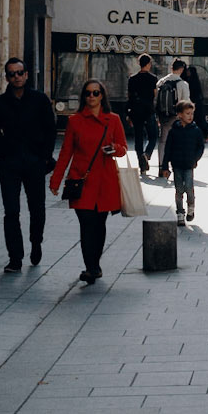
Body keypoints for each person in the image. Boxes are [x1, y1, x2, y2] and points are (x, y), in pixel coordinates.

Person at [49, 79, 126, 284]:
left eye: (96, 93)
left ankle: (95, 264)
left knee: (99, 225)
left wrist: (114, 149)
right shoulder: (75, 121)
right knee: (86, 224)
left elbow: (123, 148)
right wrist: (55, 181)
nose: (91, 96)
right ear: (83, 96)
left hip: (105, 181)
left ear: (102, 95)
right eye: (88, 93)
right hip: (81, 181)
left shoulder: (114, 120)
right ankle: (91, 267)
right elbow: (66, 153)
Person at [0, 56, 56, 271]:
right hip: (9, 163)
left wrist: (44, 157)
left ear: (26, 75)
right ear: (7, 77)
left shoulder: (39, 99)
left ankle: (36, 242)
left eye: (20, 73)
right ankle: (15, 258)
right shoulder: (0, 102)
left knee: (37, 209)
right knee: (11, 211)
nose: (16, 77)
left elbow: (51, 130)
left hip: (35, 162)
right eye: (11, 73)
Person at [166, 98, 206, 226]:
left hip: (189, 164)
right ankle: (180, 213)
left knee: (189, 188)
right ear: (179, 115)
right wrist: (164, 165)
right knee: (179, 190)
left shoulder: (195, 130)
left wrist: (195, 158)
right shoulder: (173, 131)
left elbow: (201, 146)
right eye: (187, 113)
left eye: (192, 113)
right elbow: (168, 148)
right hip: (177, 164)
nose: (190, 116)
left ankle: (191, 208)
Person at [154, 58, 191, 182]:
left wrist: (157, 115)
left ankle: (161, 166)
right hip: (177, 116)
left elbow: (156, 101)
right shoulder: (182, 84)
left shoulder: (161, 82)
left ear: (171, 68)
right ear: (181, 69)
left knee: (163, 141)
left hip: (164, 115)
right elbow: (186, 102)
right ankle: (176, 167)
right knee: (178, 141)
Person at [126, 54, 159, 175]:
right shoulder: (153, 78)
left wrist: (128, 113)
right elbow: (154, 94)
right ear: (148, 64)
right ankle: (147, 154)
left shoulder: (132, 78)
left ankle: (142, 164)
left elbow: (129, 96)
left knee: (138, 138)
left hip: (135, 111)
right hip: (148, 110)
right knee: (153, 136)